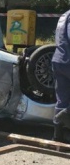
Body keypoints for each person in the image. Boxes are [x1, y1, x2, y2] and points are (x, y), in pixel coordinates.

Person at [52, 10, 70, 142]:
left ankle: (58, 137)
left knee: (62, 98)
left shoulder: (64, 15)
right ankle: (65, 114)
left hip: (58, 59)